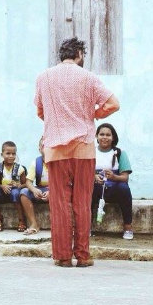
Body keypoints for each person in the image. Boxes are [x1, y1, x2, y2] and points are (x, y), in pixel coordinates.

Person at [34, 37, 119, 267]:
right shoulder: (88, 78)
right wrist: (93, 115)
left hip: (55, 149)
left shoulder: (44, 77)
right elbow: (113, 104)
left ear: (62, 54)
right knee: (82, 201)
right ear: (79, 54)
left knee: (60, 202)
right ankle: (82, 256)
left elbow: (40, 111)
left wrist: (56, 119)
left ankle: (62, 257)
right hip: (83, 148)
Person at [91, 123, 134, 240]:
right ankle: (86, 227)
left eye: (108, 135)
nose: (105, 137)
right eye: (102, 134)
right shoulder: (90, 152)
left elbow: (125, 177)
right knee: (86, 189)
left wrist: (114, 177)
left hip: (114, 191)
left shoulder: (120, 153)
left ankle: (128, 227)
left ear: (113, 137)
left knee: (124, 188)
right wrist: (93, 176)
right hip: (97, 189)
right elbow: (83, 173)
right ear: (96, 136)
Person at [0, 141, 27, 232]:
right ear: (2, 154)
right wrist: (2, 186)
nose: (11, 156)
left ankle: (21, 219)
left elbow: (26, 184)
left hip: (14, 193)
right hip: (2, 192)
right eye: (8, 153)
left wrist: (19, 185)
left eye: (13, 154)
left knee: (15, 193)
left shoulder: (20, 168)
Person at [19, 137, 50, 235]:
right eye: (43, 146)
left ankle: (57, 224)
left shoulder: (58, 162)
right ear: (40, 149)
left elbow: (64, 183)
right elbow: (28, 182)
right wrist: (34, 190)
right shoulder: (36, 163)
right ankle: (34, 224)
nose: (46, 148)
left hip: (55, 190)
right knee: (23, 192)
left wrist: (52, 192)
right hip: (40, 189)